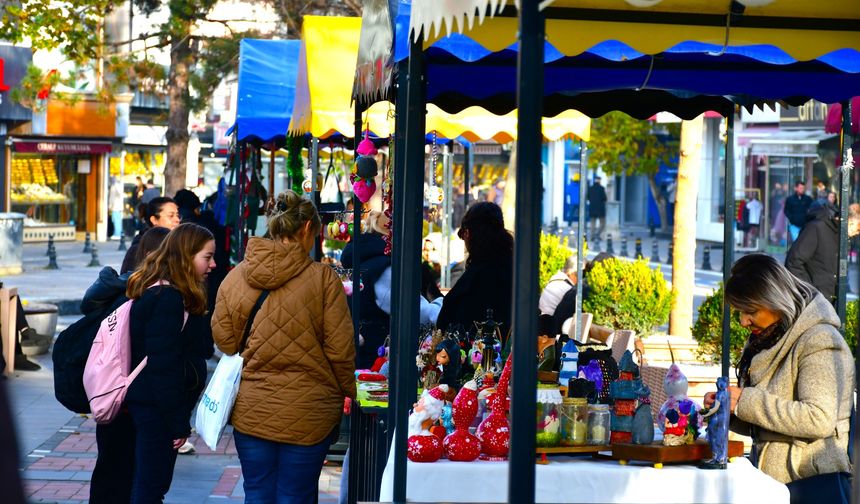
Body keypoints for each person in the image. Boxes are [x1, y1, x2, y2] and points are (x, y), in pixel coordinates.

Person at [212, 190, 356, 503]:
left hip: (252, 411)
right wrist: (349, 393)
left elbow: (225, 341)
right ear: (306, 229)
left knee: (258, 493)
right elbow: (341, 351)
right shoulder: (323, 280)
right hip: (310, 413)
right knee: (297, 495)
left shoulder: (236, 277)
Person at [703, 254, 853, 489]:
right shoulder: (767, 337)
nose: (743, 321)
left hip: (809, 482)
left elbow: (819, 419)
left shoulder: (820, 340)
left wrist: (745, 400)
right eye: (740, 312)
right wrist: (730, 408)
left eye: (750, 311)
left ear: (775, 300)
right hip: (773, 482)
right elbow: (768, 420)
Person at [124, 223, 214, 502]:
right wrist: (177, 423)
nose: (213, 265)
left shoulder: (172, 294)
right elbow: (164, 367)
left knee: (150, 484)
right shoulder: (168, 299)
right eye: (207, 257)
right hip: (156, 408)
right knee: (151, 487)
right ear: (187, 257)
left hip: (154, 405)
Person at [83, 226, 170, 503]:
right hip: (130, 399)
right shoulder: (149, 297)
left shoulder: (123, 289)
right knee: (131, 476)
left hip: (111, 394)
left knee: (110, 471)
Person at [342, 211, 441, 369]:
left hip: (362, 351)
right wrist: (441, 304)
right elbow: (417, 312)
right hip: (380, 356)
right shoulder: (386, 268)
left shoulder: (361, 264)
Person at [437, 202, 513, 343]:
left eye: (465, 233)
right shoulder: (511, 267)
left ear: (470, 233)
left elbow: (456, 316)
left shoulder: (481, 272)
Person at [785, 201, 839, 304]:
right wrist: (809, 290)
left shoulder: (834, 232)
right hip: (815, 297)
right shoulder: (816, 228)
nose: (857, 232)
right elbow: (793, 261)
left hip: (825, 297)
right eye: (857, 228)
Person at [121, 197, 181, 274]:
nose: (177, 220)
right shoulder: (138, 249)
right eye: (171, 216)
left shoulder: (177, 244)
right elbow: (129, 281)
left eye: (177, 215)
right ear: (154, 220)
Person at [587, 176, 607, 241]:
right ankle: (597, 234)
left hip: (592, 208)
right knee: (603, 223)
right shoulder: (602, 188)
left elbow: (588, 197)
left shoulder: (590, 188)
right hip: (600, 209)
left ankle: (592, 237)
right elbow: (605, 198)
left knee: (592, 224)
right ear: (599, 181)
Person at [108, 176, 125, 240]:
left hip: (115, 207)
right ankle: (117, 233)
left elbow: (112, 198)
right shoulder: (118, 186)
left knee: (116, 220)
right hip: (118, 207)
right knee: (117, 220)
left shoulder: (114, 186)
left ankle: (117, 234)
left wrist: (110, 206)